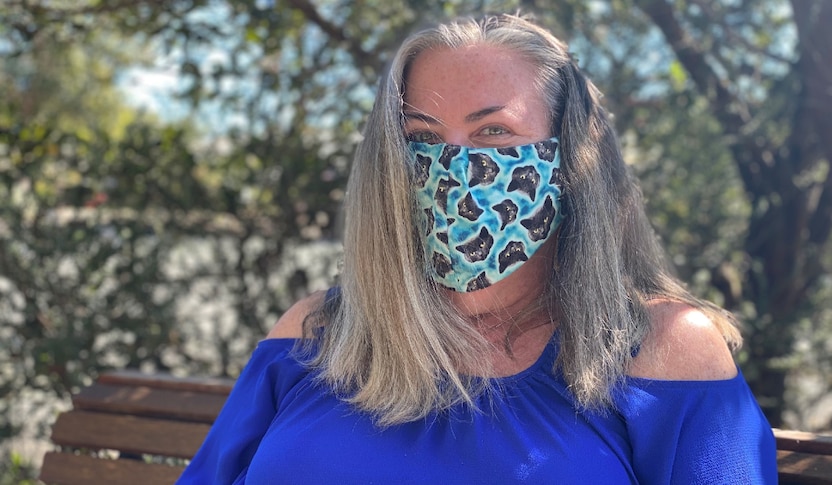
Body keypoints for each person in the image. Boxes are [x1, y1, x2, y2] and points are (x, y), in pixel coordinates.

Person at [178, 13, 777, 484]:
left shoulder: (660, 349)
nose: (454, 167)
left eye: (494, 132)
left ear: (572, 158)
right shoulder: (318, 332)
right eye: (422, 138)